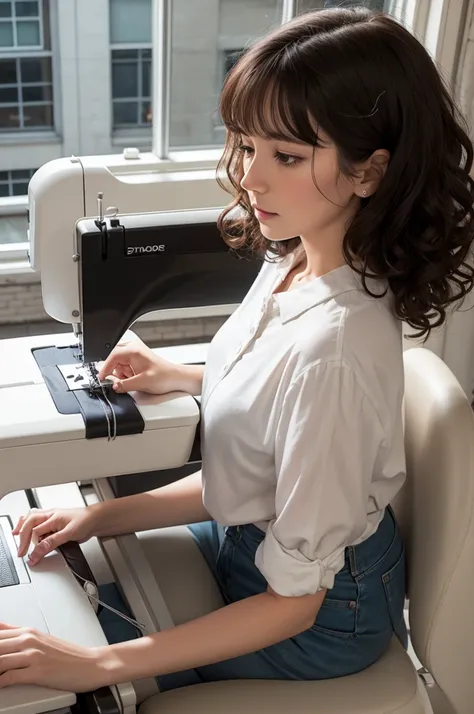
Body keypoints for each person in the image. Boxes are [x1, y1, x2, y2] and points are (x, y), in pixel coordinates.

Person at [1, 5, 473, 694]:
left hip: (319, 617)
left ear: (368, 173)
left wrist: (96, 663)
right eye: (248, 146)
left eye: (286, 156)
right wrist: (103, 507)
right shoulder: (296, 258)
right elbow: (259, 464)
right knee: (76, 582)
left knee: (57, 674)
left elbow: (295, 599)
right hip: (253, 546)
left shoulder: (333, 354)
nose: (251, 178)